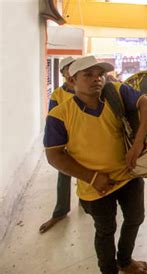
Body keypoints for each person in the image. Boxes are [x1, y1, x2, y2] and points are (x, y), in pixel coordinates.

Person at [43, 55, 147, 274]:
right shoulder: (59, 114)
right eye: (88, 75)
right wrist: (92, 177)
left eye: (100, 74)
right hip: (95, 187)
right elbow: (53, 155)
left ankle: (125, 260)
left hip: (128, 175)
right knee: (105, 231)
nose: (97, 79)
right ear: (71, 80)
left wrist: (138, 143)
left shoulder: (115, 91)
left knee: (135, 218)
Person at [39, 56, 76, 234]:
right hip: (68, 142)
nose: (71, 72)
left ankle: (89, 203)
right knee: (65, 174)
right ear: (62, 73)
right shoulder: (57, 95)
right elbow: (54, 122)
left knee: (92, 171)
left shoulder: (85, 89)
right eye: (67, 69)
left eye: (73, 68)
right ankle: (60, 211)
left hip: (88, 140)